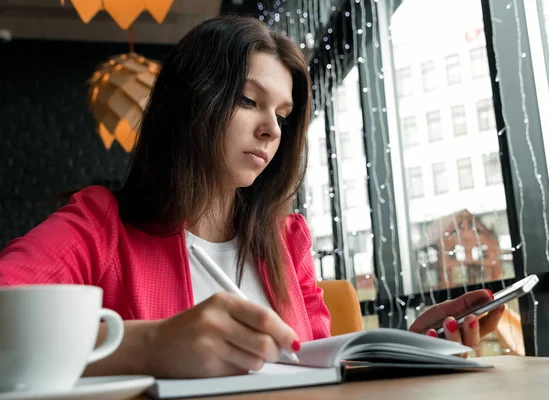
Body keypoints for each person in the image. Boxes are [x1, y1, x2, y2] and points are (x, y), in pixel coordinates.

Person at [0, 15, 503, 379]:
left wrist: (407, 348)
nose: (271, 130)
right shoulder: (100, 224)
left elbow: (314, 363)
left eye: (282, 115)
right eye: (248, 100)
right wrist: (148, 344)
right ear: (192, 103)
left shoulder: (288, 239)